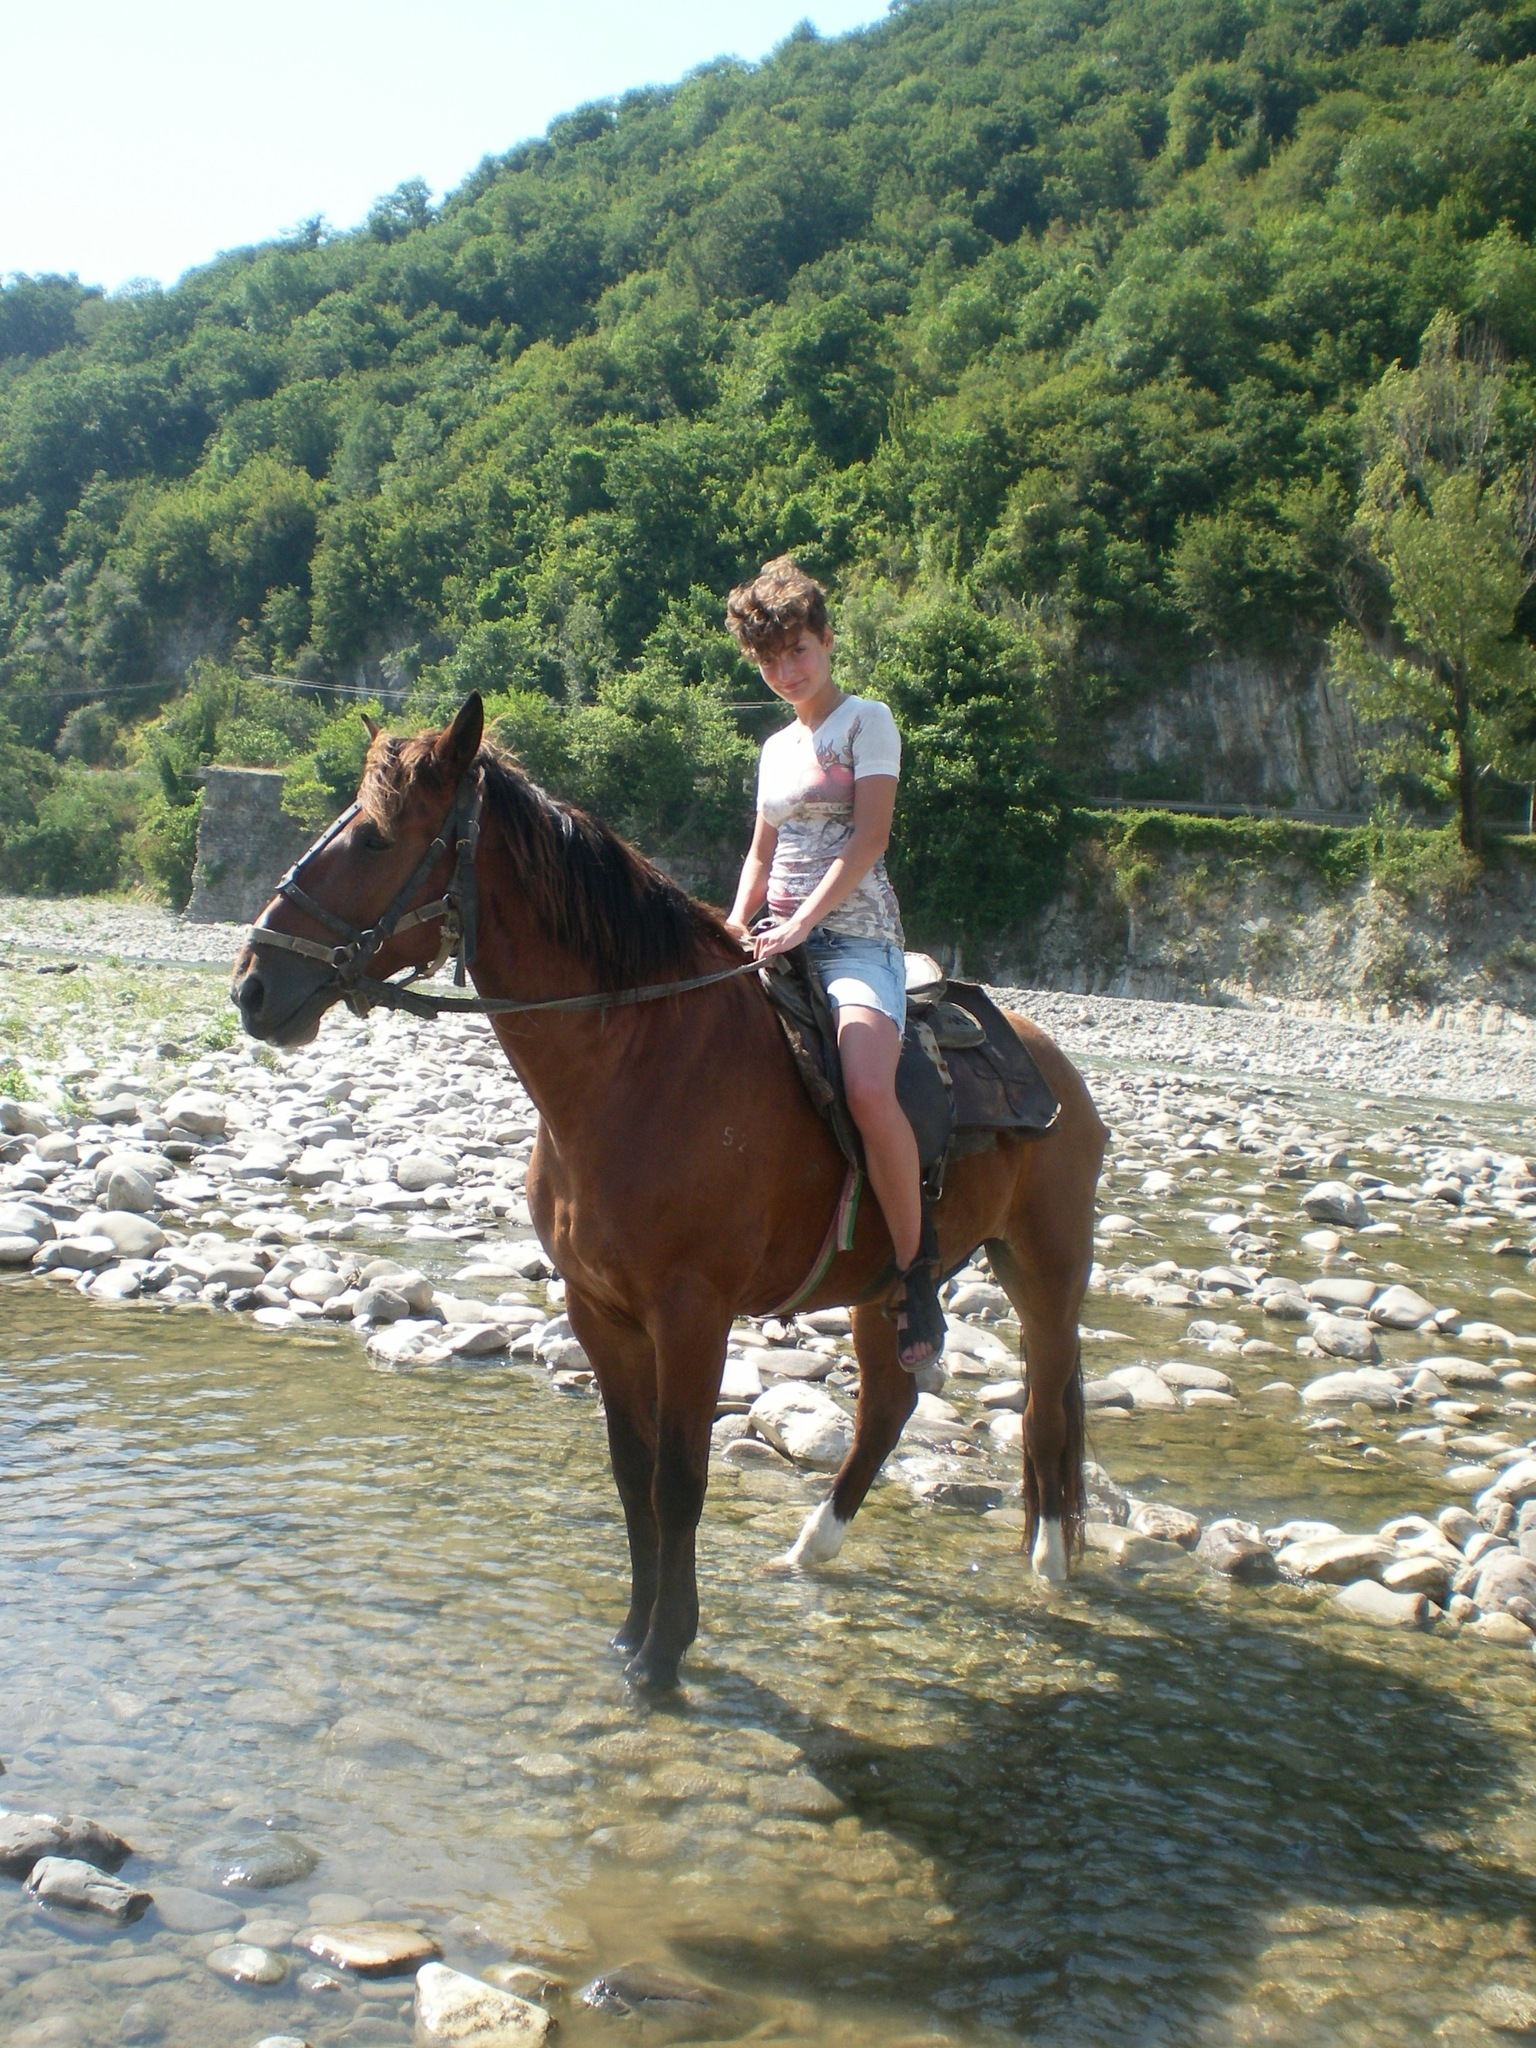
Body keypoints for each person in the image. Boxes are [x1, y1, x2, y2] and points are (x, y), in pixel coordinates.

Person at [723, 556, 944, 1371]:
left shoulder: (866, 722)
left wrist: (801, 926)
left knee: (866, 1087)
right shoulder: (776, 748)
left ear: (826, 640)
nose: (787, 671)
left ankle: (915, 1272)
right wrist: (735, 923)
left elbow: (869, 840)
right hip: (773, 932)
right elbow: (760, 852)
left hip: (856, 939)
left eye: (799, 651)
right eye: (770, 660)